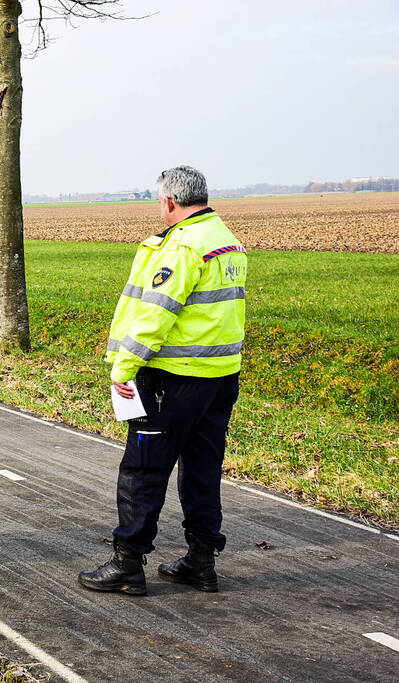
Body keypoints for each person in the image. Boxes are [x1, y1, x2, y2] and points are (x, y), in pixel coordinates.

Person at [79, 166, 247, 596]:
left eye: (160, 201)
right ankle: (200, 560)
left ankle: (127, 563)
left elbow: (155, 314)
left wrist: (124, 368)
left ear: (170, 201)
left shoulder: (184, 247)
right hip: (221, 376)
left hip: (174, 379)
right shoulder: (226, 240)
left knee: (144, 468)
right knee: (203, 469)